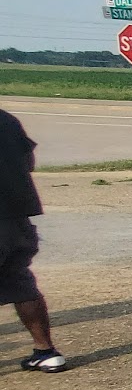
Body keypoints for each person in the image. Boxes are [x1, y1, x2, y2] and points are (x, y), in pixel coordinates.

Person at [0, 109, 65, 372]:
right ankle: (46, 351)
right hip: (15, 217)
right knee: (21, 283)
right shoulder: (5, 119)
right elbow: (28, 161)